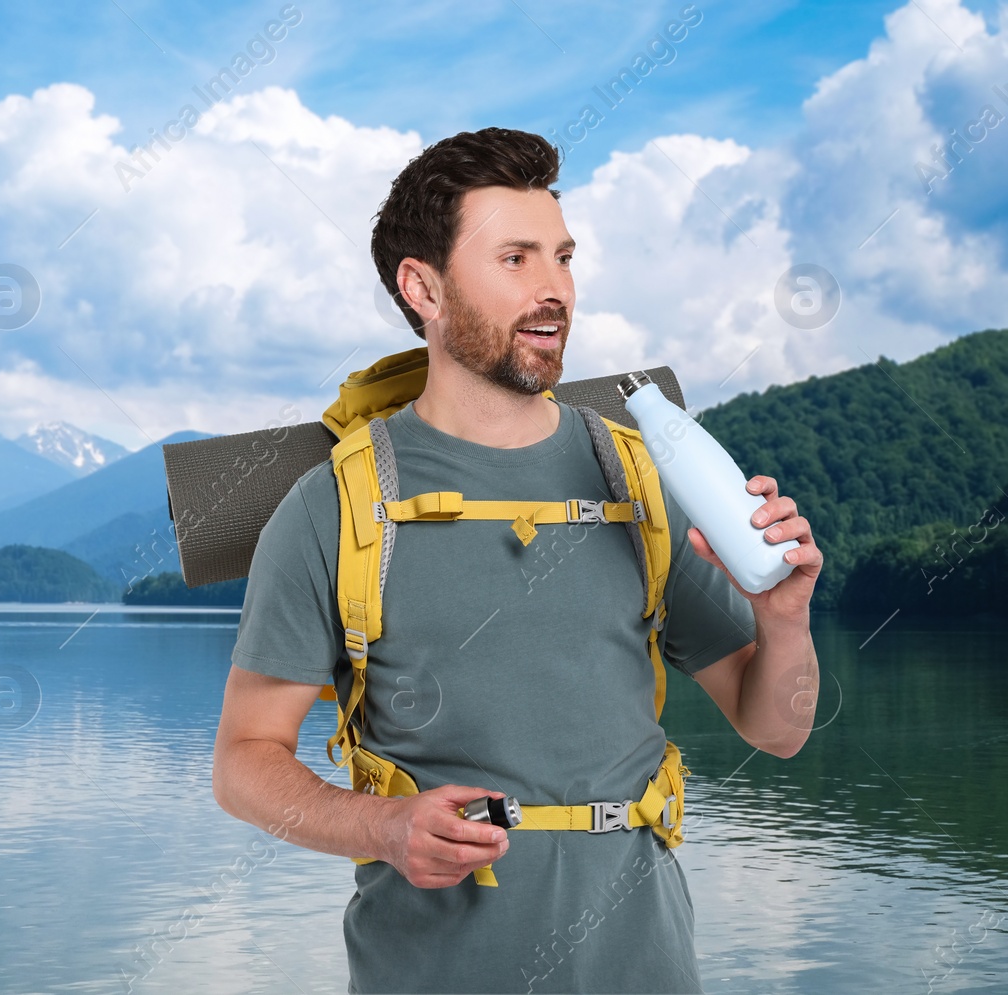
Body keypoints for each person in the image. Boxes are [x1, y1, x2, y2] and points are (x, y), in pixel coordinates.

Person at [211, 127, 823, 994]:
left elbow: (780, 728)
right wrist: (382, 826)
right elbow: (243, 759)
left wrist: (784, 618)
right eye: (515, 259)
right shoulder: (333, 509)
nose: (555, 290)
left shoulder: (639, 481)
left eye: (563, 258)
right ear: (422, 287)